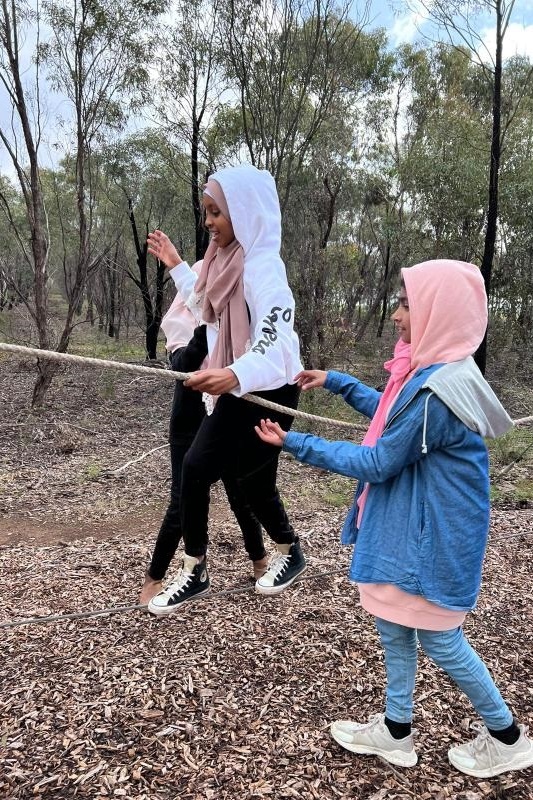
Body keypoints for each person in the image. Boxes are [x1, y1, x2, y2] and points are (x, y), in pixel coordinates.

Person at [255, 259, 533, 778]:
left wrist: (295, 442)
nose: (397, 315)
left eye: (407, 304)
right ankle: (396, 732)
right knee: (394, 625)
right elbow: (390, 410)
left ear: (436, 312)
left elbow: (381, 460)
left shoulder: (436, 391)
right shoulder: (430, 371)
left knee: (440, 638)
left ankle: (509, 737)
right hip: (412, 525)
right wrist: (339, 382)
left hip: (433, 536)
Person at [145, 164, 307, 616]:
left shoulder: (264, 271)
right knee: (198, 470)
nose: (209, 222)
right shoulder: (221, 261)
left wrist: (233, 373)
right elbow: (204, 304)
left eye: (217, 212)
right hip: (236, 386)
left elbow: (276, 343)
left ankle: (290, 551)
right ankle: (196, 567)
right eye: (206, 213)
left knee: (249, 481)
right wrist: (178, 265)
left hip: (269, 389)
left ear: (244, 211)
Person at [138, 263, 269, 605]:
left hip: (226, 416)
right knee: (183, 500)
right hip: (188, 422)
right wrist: (206, 327)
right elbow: (182, 366)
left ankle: (260, 560)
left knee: (239, 492)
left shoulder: (238, 321)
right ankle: (157, 576)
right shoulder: (183, 322)